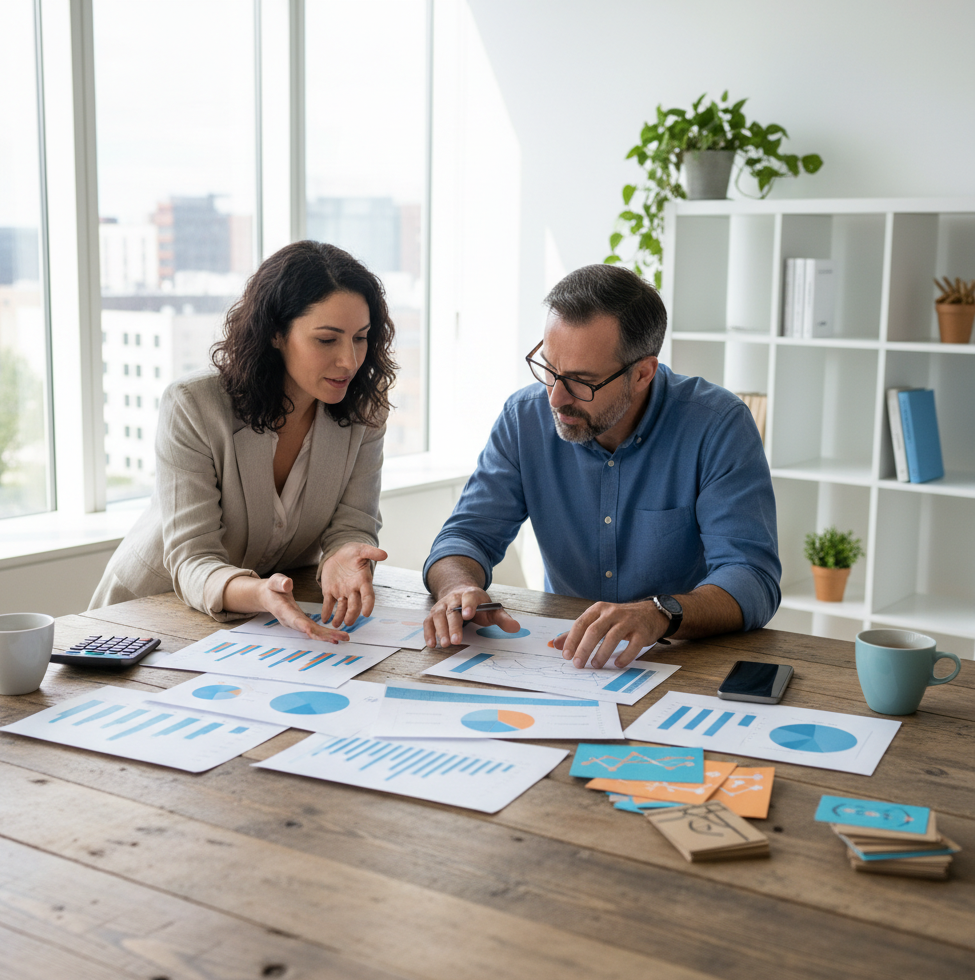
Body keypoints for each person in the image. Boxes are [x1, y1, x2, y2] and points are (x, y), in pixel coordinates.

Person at [422, 263, 781, 667]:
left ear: (643, 373)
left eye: (581, 381)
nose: (556, 398)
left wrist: (659, 612)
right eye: (549, 369)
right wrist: (457, 587)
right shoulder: (524, 417)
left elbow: (751, 578)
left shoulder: (717, 425)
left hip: (684, 661)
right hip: (564, 660)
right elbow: (465, 536)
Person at [89, 240, 397, 642]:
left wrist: (344, 555)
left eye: (361, 338)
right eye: (327, 340)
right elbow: (193, 558)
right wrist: (260, 593)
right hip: (149, 613)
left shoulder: (365, 412)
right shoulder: (194, 406)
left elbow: (353, 523)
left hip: (263, 623)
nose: (350, 361)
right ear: (275, 334)